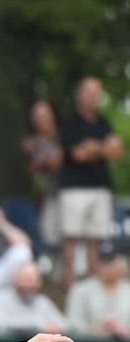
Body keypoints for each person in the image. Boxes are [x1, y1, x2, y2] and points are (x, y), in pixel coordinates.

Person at [58, 76, 125, 283]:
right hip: (74, 189)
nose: (93, 97)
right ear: (80, 94)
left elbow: (119, 153)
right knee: (72, 238)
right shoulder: (70, 122)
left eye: (97, 93)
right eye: (89, 92)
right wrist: (104, 148)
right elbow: (77, 154)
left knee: (94, 240)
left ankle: (92, 285)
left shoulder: (103, 122)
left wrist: (93, 147)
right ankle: (71, 284)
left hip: (100, 188)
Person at [23, 100, 63, 250]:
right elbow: (30, 169)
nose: (40, 119)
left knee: (66, 237)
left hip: (64, 193)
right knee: (48, 236)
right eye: (37, 116)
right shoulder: (32, 142)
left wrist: (42, 162)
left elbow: (57, 162)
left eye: (43, 115)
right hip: (44, 197)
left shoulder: (62, 137)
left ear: (52, 115)